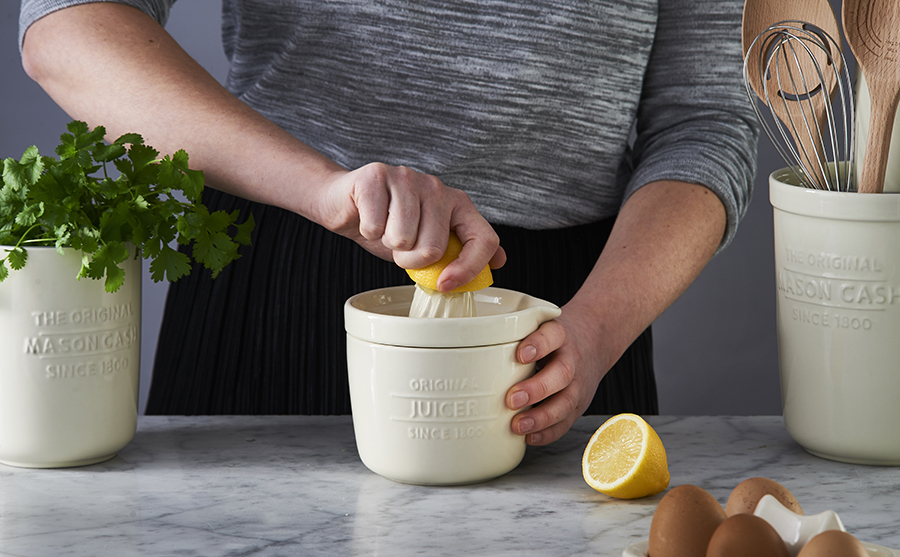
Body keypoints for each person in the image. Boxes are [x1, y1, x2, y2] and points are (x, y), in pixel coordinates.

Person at [18, 0, 758, 446]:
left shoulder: (587, 327)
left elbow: (705, 119)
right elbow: (67, 26)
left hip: (572, 319)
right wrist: (324, 189)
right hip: (275, 286)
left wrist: (597, 329)